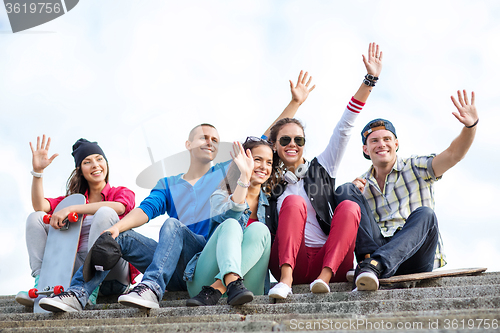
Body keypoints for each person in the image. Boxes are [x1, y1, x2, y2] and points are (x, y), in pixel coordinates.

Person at [39, 71, 315, 312]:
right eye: (204, 137)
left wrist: (295, 103)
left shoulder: (222, 174)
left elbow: (260, 142)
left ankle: (150, 288)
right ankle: (77, 294)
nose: (211, 142)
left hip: (205, 255)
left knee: (173, 226)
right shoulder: (168, 183)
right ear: (188, 144)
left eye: (216, 140)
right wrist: (117, 229)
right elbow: (144, 211)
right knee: (116, 237)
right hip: (174, 261)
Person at [265, 43, 383, 299]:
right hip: (290, 261)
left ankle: (324, 279)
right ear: (276, 146)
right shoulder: (270, 179)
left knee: (350, 207)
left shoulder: (322, 167)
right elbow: (259, 144)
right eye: (284, 140)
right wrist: (295, 104)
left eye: (299, 139)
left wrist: (369, 80)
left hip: (330, 259)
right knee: (294, 202)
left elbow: (345, 126)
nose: (292, 144)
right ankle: (285, 281)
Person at [338, 90, 479, 291]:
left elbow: (454, 154)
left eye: (387, 139)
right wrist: (353, 196)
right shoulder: (362, 185)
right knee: (345, 191)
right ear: (365, 150)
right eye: (374, 141)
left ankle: (374, 265)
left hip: (415, 256)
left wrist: (470, 126)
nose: (381, 144)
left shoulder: (416, 167)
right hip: (378, 249)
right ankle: (371, 264)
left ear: (396, 144)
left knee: (426, 214)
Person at [16, 136, 135, 306]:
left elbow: (120, 207)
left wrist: (72, 210)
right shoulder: (72, 201)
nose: (95, 164)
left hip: (112, 272)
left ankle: (88, 289)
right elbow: (39, 206)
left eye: (99, 159)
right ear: (80, 170)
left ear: (106, 164)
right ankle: (43, 283)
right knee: (35, 218)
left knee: (104, 212)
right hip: (79, 270)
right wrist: (38, 173)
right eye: (87, 161)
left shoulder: (121, 192)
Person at [185, 138, 274, 306]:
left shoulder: (272, 205)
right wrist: (245, 177)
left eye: (269, 162)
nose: (264, 166)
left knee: (260, 229)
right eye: (257, 160)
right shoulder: (220, 195)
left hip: (245, 289)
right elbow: (231, 215)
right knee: (232, 224)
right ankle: (228, 281)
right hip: (204, 282)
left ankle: (219, 287)